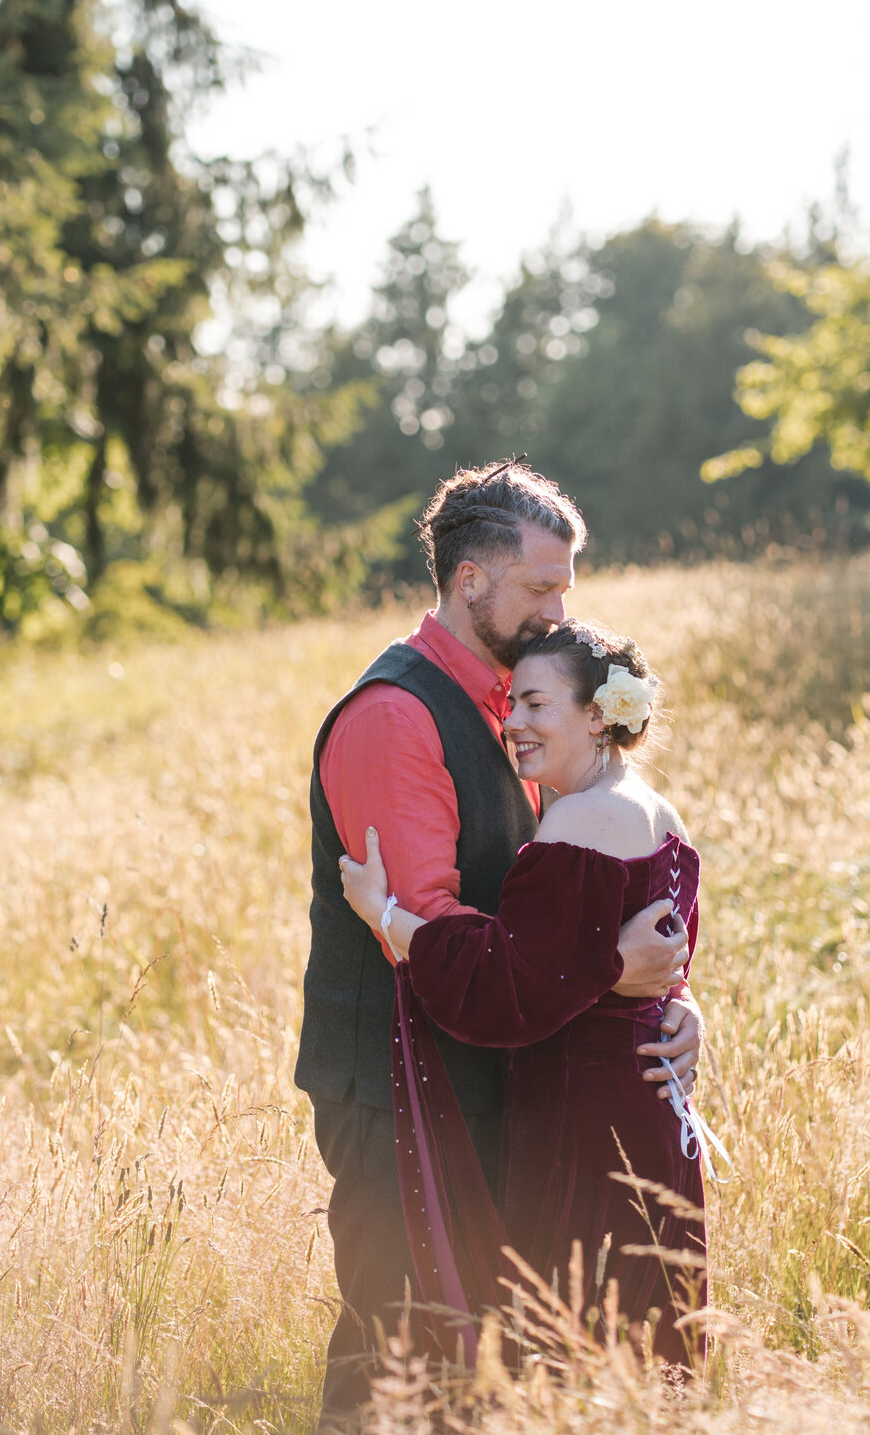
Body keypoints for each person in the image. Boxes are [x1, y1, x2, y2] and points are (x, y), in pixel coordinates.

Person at [295, 461, 704, 1425]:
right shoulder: (394, 716)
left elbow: (576, 910)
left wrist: (665, 999)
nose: (562, 605)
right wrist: (608, 974)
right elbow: (421, 925)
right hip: (397, 1078)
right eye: (542, 585)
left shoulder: (517, 709)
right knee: (400, 1344)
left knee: (482, 1356)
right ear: (470, 580)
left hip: (486, 1060)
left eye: (567, 583)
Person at [341, 617, 726, 1373]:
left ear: (596, 715)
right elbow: (664, 959)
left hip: (589, 1113)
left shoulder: (580, 822)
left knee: (576, 1328)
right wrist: (680, 1001)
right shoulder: (656, 812)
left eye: (536, 705)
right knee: (640, 1328)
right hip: (646, 1103)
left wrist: (386, 916)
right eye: (511, 703)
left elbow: (507, 983)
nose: (513, 723)